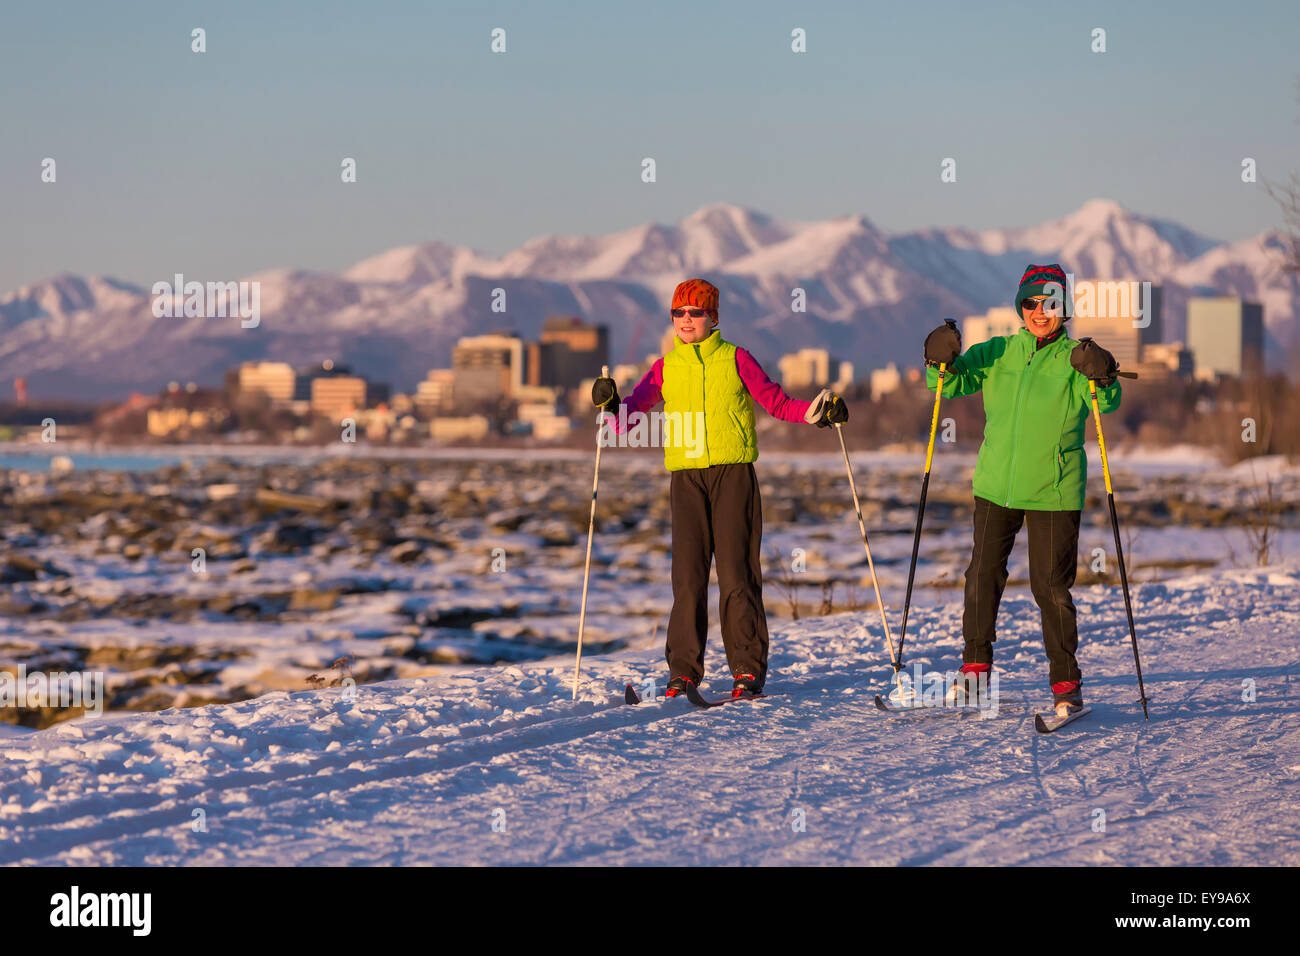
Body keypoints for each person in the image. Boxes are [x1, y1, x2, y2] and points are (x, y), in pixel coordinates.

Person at [592, 278, 848, 699]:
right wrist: (608, 403)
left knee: (736, 576)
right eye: (679, 312)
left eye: (695, 311)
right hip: (686, 479)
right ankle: (683, 673)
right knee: (688, 578)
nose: (686, 319)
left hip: (733, 475)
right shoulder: (664, 368)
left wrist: (816, 412)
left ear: (713, 317)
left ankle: (747, 671)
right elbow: (625, 419)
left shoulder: (736, 359)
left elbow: (777, 403)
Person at [921, 263, 1122, 718]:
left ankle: (1066, 686)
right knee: (981, 576)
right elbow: (946, 385)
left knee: (1050, 587)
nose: (1039, 311)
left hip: (1053, 490)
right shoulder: (998, 352)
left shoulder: (1075, 359)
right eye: (1031, 302)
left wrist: (1104, 374)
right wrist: (937, 358)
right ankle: (975, 672)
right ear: (1020, 307)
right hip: (996, 486)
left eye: (1049, 303)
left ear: (1063, 309)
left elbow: (1106, 402)